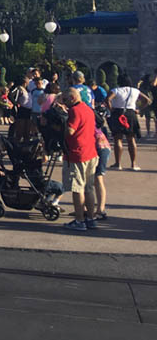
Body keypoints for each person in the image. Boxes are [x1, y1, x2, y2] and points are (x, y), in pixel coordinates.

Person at [63, 88, 99, 232]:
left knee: (77, 188)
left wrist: (59, 128)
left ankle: (79, 220)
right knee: (89, 188)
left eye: (65, 100)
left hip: (77, 153)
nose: (64, 103)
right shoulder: (88, 109)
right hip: (91, 151)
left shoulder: (74, 111)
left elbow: (70, 131)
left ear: (72, 98)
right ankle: (91, 218)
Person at [106, 76, 150, 170]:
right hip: (131, 114)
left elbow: (108, 99)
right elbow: (147, 100)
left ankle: (118, 164)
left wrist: (111, 109)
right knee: (131, 139)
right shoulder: (135, 91)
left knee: (118, 138)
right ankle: (133, 164)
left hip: (118, 113)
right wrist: (139, 109)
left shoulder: (116, 90)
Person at [93, 105, 112, 220]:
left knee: (98, 178)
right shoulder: (98, 127)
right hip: (104, 147)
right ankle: (90, 208)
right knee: (95, 179)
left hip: (100, 148)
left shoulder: (90, 125)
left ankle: (101, 209)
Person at [9, 74, 33, 143]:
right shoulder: (19, 88)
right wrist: (16, 103)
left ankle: (26, 146)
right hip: (22, 110)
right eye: (28, 79)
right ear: (24, 81)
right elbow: (10, 95)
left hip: (29, 111)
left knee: (27, 132)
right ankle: (16, 145)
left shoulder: (28, 90)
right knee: (20, 131)